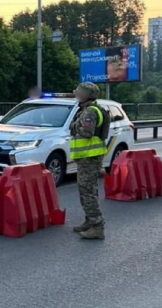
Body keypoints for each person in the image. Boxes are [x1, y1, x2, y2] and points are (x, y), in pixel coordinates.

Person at [69, 82, 110, 240]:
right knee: (89, 190)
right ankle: (89, 220)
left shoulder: (90, 111)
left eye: (78, 93)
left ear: (85, 95)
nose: (76, 95)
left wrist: (75, 125)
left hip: (89, 157)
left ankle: (97, 226)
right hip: (89, 157)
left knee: (87, 192)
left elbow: (86, 132)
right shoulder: (90, 109)